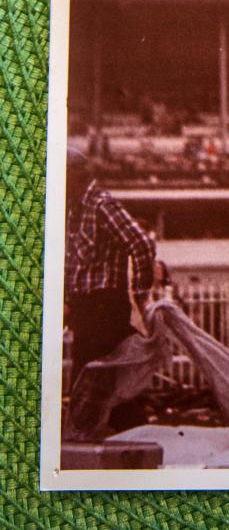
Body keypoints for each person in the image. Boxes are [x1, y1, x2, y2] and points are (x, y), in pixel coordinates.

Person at [64, 147, 156, 390]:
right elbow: (72, 261)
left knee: (92, 380)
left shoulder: (102, 205)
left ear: (74, 175)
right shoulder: (74, 209)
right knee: (96, 379)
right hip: (84, 306)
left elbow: (141, 243)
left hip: (104, 305)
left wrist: (139, 293)